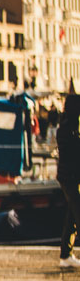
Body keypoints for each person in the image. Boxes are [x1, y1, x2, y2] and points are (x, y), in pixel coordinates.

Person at [56, 94, 80, 268]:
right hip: (70, 177)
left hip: (70, 177)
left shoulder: (67, 126)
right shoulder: (68, 129)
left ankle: (66, 255)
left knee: (72, 215)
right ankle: (66, 254)